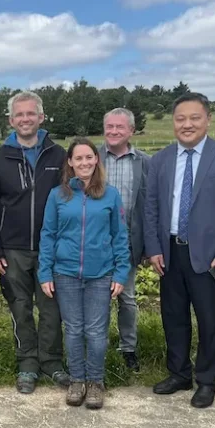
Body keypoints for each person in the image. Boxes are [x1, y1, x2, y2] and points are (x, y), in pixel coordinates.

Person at [144, 92, 215, 408]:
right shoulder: (160, 160)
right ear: (173, 123)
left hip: (209, 255)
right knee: (173, 316)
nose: (187, 124)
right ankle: (179, 374)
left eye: (194, 118)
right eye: (180, 119)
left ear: (208, 120)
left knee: (209, 320)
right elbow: (151, 208)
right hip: (170, 251)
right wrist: (153, 248)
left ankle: (207, 381)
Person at [0, 91, 70, 394]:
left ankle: (52, 362)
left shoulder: (59, 155)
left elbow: (69, 201)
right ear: (11, 120)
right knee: (20, 308)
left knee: (51, 310)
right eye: (19, 114)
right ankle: (27, 364)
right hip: (12, 249)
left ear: (41, 117)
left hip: (51, 249)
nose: (25, 119)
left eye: (31, 113)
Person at [38, 138, 130, 409]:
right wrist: (45, 272)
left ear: (96, 159)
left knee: (96, 331)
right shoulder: (58, 195)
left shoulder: (110, 195)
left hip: (100, 274)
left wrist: (121, 273)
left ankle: (95, 382)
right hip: (65, 273)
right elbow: (48, 234)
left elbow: (120, 236)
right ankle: (77, 380)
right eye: (78, 158)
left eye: (89, 157)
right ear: (70, 162)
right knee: (74, 329)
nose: (84, 162)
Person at [102, 108, 150, 372]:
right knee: (96, 297)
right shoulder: (92, 158)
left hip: (128, 243)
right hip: (95, 244)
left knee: (127, 298)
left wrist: (148, 245)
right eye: (109, 126)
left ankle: (128, 347)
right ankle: (96, 346)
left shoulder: (145, 162)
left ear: (131, 130)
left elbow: (150, 207)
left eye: (119, 127)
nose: (114, 131)